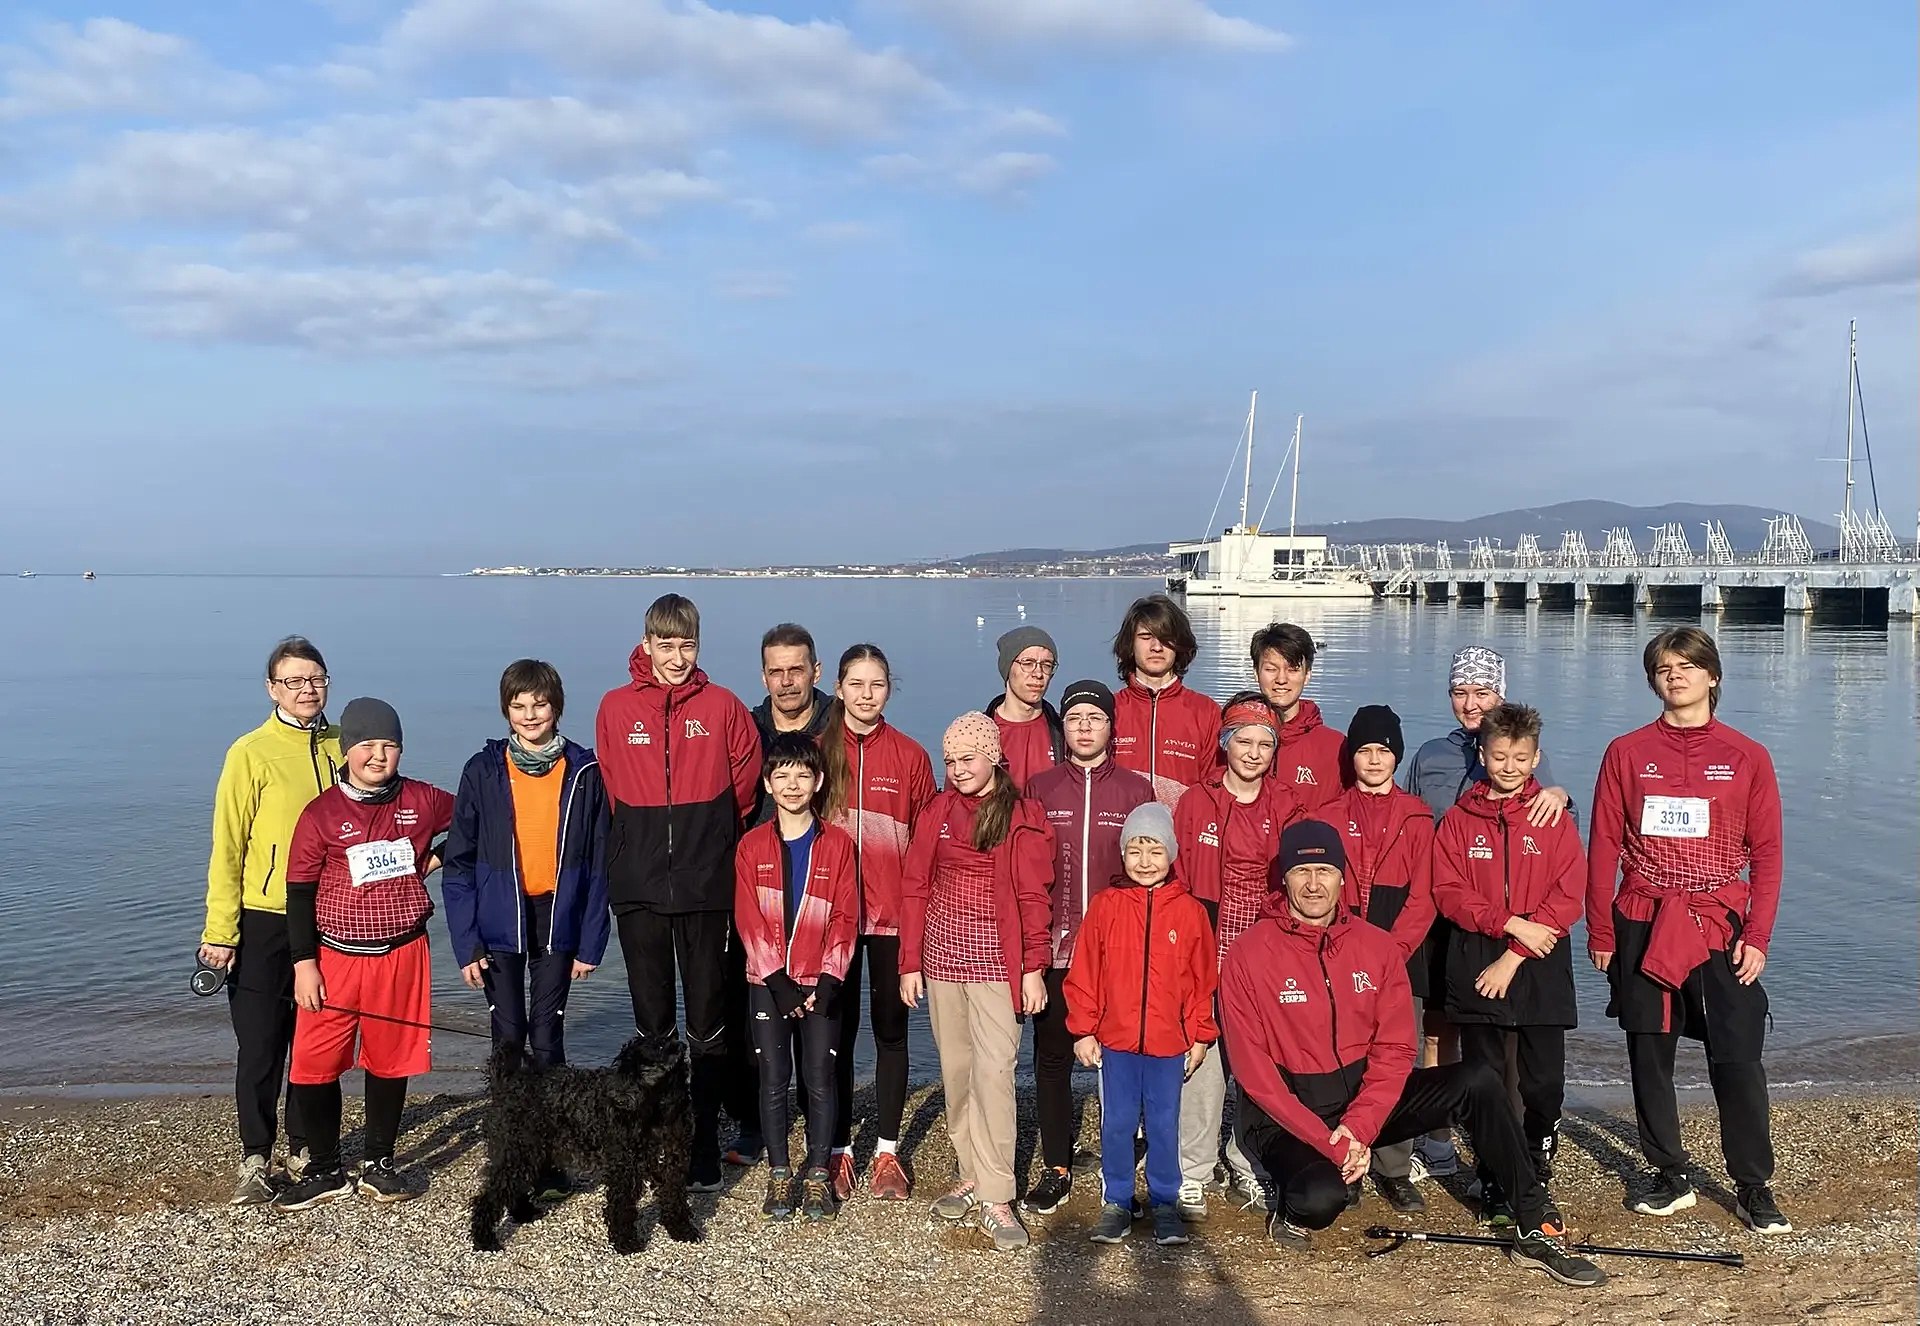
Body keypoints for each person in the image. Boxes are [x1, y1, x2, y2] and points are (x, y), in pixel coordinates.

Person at [1220, 820, 1604, 1288]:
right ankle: (1294, 1189)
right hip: (1289, 1113)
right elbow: (1255, 1076)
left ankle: (1531, 1217)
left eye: (1325, 870)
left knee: (1478, 1080)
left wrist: (1358, 1128)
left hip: (1361, 1101)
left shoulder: (1375, 946)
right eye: (1302, 871)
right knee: (1319, 1202)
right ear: (1285, 878)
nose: (1314, 884)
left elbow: (1397, 1048)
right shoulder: (1248, 953)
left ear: (1342, 877)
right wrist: (1332, 1143)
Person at [1587, 627, 1790, 1235]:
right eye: (1664, 668)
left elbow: (1768, 853)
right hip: (1642, 919)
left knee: (1737, 1055)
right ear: (1653, 681)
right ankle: (1669, 1173)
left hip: (1718, 924)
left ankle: (1752, 1184)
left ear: (1712, 675)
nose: (1675, 676)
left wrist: (1759, 935)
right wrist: (1600, 931)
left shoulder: (1747, 755)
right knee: (1650, 1053)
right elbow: (1603, 844)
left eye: (1687, 666)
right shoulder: (1625, 751)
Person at [594, 594, 762, 1191]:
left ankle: (702, 1146)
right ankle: (658, 1139)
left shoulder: (724, 707)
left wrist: (706, 837)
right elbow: (611, 785)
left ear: (698, 645)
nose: (676, 657)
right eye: (665, 645)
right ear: (646, 645)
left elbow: (744, 789)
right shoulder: (615, 707)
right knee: (653, 1027)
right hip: (638, 888)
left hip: (706, 887)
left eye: (686, 645)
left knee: (708, 1026)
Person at [274, 698, 455, 1211]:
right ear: (347, 750)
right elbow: (299, 892)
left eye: (389, 745)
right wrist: (303, 963)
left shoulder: (422, 799)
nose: (378, 756)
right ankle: (325, 1168)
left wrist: (435, 858)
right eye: (367, 745)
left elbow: (481, 816)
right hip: (334, 956)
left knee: (390, 1060)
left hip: (402, 952)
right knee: (313, 1064)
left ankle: (379, 1163)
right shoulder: (322, 812)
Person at [1401, 644, 1573, 1181]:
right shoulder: (1431, 755)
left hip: (1520, 930)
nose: (1471, 702)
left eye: (1482, 691)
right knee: (1440, 1031)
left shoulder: (1519, 751)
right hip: (1448, 916)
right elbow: (1410, 822)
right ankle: (1441, 1142)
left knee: (1518, 1052)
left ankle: (1517, 1145)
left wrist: (1561, 795)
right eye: (1460, 692)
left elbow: (1553, 813)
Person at [899, 712, 1054, 1253]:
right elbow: (915, 885)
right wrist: (909, 961)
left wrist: (1033, 966)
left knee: (995, 1072)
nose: (958, 769)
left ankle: (997, 1193)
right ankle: (970, 1172)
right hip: (942, 958)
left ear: (993, 757)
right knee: (958, 1071)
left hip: (996, 960)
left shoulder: (1022, 815)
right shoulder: (937, 811)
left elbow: (1035, 895)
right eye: (950, 761)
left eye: (968, 759)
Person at [1431, 703, 1585, 1225]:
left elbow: (1570, 894)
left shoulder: (1551, 816)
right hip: (1478, 956)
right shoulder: (1458, 820)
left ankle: (1535, 1163)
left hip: (1540, 956)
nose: (1510, 767)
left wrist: (1517, 950)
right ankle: (1496, 1174)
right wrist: (1510, 924)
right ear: (1482, 755)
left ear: (1536, 758)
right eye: (1499, 757)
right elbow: (1448, 892)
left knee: (1543, 1084)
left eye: (1520, 758)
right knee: (1487, 1081)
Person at [201, 636, 341, 1204]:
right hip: (264, 918)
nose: (306, 689)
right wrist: (220, 932)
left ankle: (305, 1146)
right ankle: (256, 1155)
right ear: (272, 689)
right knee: (261, 1046)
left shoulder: (345, 744)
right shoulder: (250, 752)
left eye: (316, 678)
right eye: (294, 681)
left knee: (314, 1040)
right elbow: (228, 845)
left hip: (330, 916)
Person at [1024, 679, 1154, 1212]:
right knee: (1053, 1056)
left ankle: (1121, 1162)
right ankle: (1057, 1164)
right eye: (1075, 717)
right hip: (1055, 948)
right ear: (1064, 728)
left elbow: (1151, 869)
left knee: (1119, 1057)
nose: (1084, 727)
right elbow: (1026, 872)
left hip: (1116, 946)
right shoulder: (1040, 788)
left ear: (1110, 728)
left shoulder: (1135, 790)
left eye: (1095, 718)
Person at [442, 660, 610, 1071]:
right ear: (506, 710)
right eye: (519, 706)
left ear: (557, 707)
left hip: (558, 916)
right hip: (499, 918)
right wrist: (466, 944)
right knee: (510, 1033)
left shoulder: (585, 771)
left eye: (539, 705)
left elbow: (599, 865)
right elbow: (458, 864)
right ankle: (507, 1111)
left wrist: (591, 943)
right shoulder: (483, 770)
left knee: (547, 1034)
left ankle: (551, 1112)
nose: (530, 716)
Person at [1172, 692, 1303, 1218]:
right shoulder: (1196, 801)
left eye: (1263, 745)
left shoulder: (1287, 804)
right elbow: (1180, 876)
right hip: (1208, 934)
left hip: (1264, 941)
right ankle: (1193, 1168)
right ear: (1225, 743)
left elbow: (1298, 881)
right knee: (1203, 1056)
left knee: (1258, 1058)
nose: (1252, 753)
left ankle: (1248, 1159)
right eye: (1243, 741)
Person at [1065, 802, 1217, 1248]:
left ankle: (1165, 1202)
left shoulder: (1189, 911)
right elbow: (1085, 972)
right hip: (1117, 1041)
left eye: (1154, 851)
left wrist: (1200, 1035)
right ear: (1123, 855)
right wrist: (1084, 1029)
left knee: (1164, 1123)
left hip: (1169, 1043)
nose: (1145, 862)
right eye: (1135, 851)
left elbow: (1202, 980)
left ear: (1171, 854)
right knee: (1117, 1122)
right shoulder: (1106, 906)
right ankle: (1117, 1200)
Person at [819, 644, 937, 1201]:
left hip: (893, 916)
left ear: (890, 689)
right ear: (839, 688)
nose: (867, 695)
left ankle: (888, 1150)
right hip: (833, 919)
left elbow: (928, 846)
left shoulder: (911, 756)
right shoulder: (818, 752)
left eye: (878, 684)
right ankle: (840, 1148)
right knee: (837, 1034)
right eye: (857, 684)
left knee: (892, 1032)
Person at [734, 732, 860, 1223]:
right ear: (768, 783)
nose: (792, 785)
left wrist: (829, 979)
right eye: (782, 776)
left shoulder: (838, 844)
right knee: (773, 1078)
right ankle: (780, 1173)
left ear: (819, 781)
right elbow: (748, 918)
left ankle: (818, 1175)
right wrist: (777, 981)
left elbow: (846, 915)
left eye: (802, 775)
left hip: (821, 981)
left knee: (820, 1077)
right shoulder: (751, 845)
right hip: (768, 983)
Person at [729, 623, 835, 1167]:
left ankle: (830, 1141)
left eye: (797, 669)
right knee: (753, 1018)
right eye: (777, 671)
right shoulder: (748, 728)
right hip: (761, 884)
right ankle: (755, 1128)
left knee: (829, 1027)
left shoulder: (837, 723)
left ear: (816, 671)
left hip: (824, 883)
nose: (787, 681)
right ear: (764, 675)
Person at [1328, 704, 1435, 1214]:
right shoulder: (1328, 815)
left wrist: (1391, 954)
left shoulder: (1417, 817)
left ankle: (1394, 1167)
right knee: (1342, 1057)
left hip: (1400, 956)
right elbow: (1320, 891)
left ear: (1397, 756)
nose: (1374, 759)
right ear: (1352, 756)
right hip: (1341, 951)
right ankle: (1343, 1161)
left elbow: (1425, 896)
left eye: (1384, 751)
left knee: (1396, 1060)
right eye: (1365, 750)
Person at [1110, 594, 1221, 807]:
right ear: (1130, 644)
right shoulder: (1110, 710)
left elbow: (1215, 786)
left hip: (1184, 826)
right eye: (1145, 637)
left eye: (1165, 638)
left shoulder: (1206, 712)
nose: (1156, 647)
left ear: (1179, 645)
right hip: (1122, 826)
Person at [1249, 623, 1345, 811]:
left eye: (1292, 669)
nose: (1281, 679)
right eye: (1271, 669)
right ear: (1256, 672)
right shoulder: (1235, 738)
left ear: (1307, 674)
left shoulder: (1336, 748)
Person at [985, 625, 1066, 789]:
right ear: (1008, 668)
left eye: (1047, 665)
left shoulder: (1063, 732)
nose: (1038, 674)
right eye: (1028, 663)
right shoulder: (981, 732)